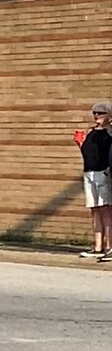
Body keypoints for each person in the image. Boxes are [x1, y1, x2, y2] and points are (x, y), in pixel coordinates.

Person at [76, 101, 112, 259]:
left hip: (102, 172)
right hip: (89, 172)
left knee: (106, 210)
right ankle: (98, 246)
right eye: (95, 113)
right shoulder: (91, 132)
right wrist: (81, 144)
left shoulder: (109, 133)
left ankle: (109, 246)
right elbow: (89, 154)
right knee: (94, 210)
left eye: (101, 113)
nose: (97, 116)